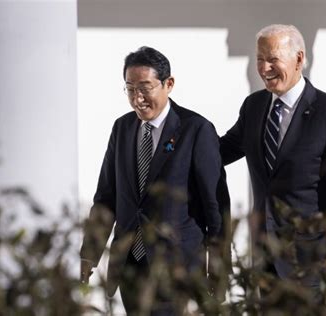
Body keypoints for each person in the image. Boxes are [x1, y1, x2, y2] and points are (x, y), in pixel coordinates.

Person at [220, 24, 326, 306]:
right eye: (259, 59)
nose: (264, 68)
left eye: (273, 59)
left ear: (299, 59)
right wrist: (178, 134)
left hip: (311, 260)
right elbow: (220, 151)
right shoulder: (253, 107)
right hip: (264, 255)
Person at [80, 46, 230, 315]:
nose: (137, 99)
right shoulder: (122, 128)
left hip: (176, 267)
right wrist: (89, 254)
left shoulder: (196, 130)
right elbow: (106, 197)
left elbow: (215, 207)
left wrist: (218, 272)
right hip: (129, 265)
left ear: (168, 84)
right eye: (130, 89)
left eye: (145, 88)